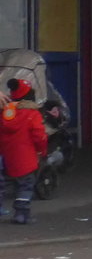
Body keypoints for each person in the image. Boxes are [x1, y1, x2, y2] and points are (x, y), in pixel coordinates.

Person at [1, 78, 47, 224]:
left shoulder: (5, 113)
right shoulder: (32, 114)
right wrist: (42, 151)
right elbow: (39, 136)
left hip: (7, 155)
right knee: (26, 185)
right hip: (26, 157)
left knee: (6, 183)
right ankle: (21, 213)